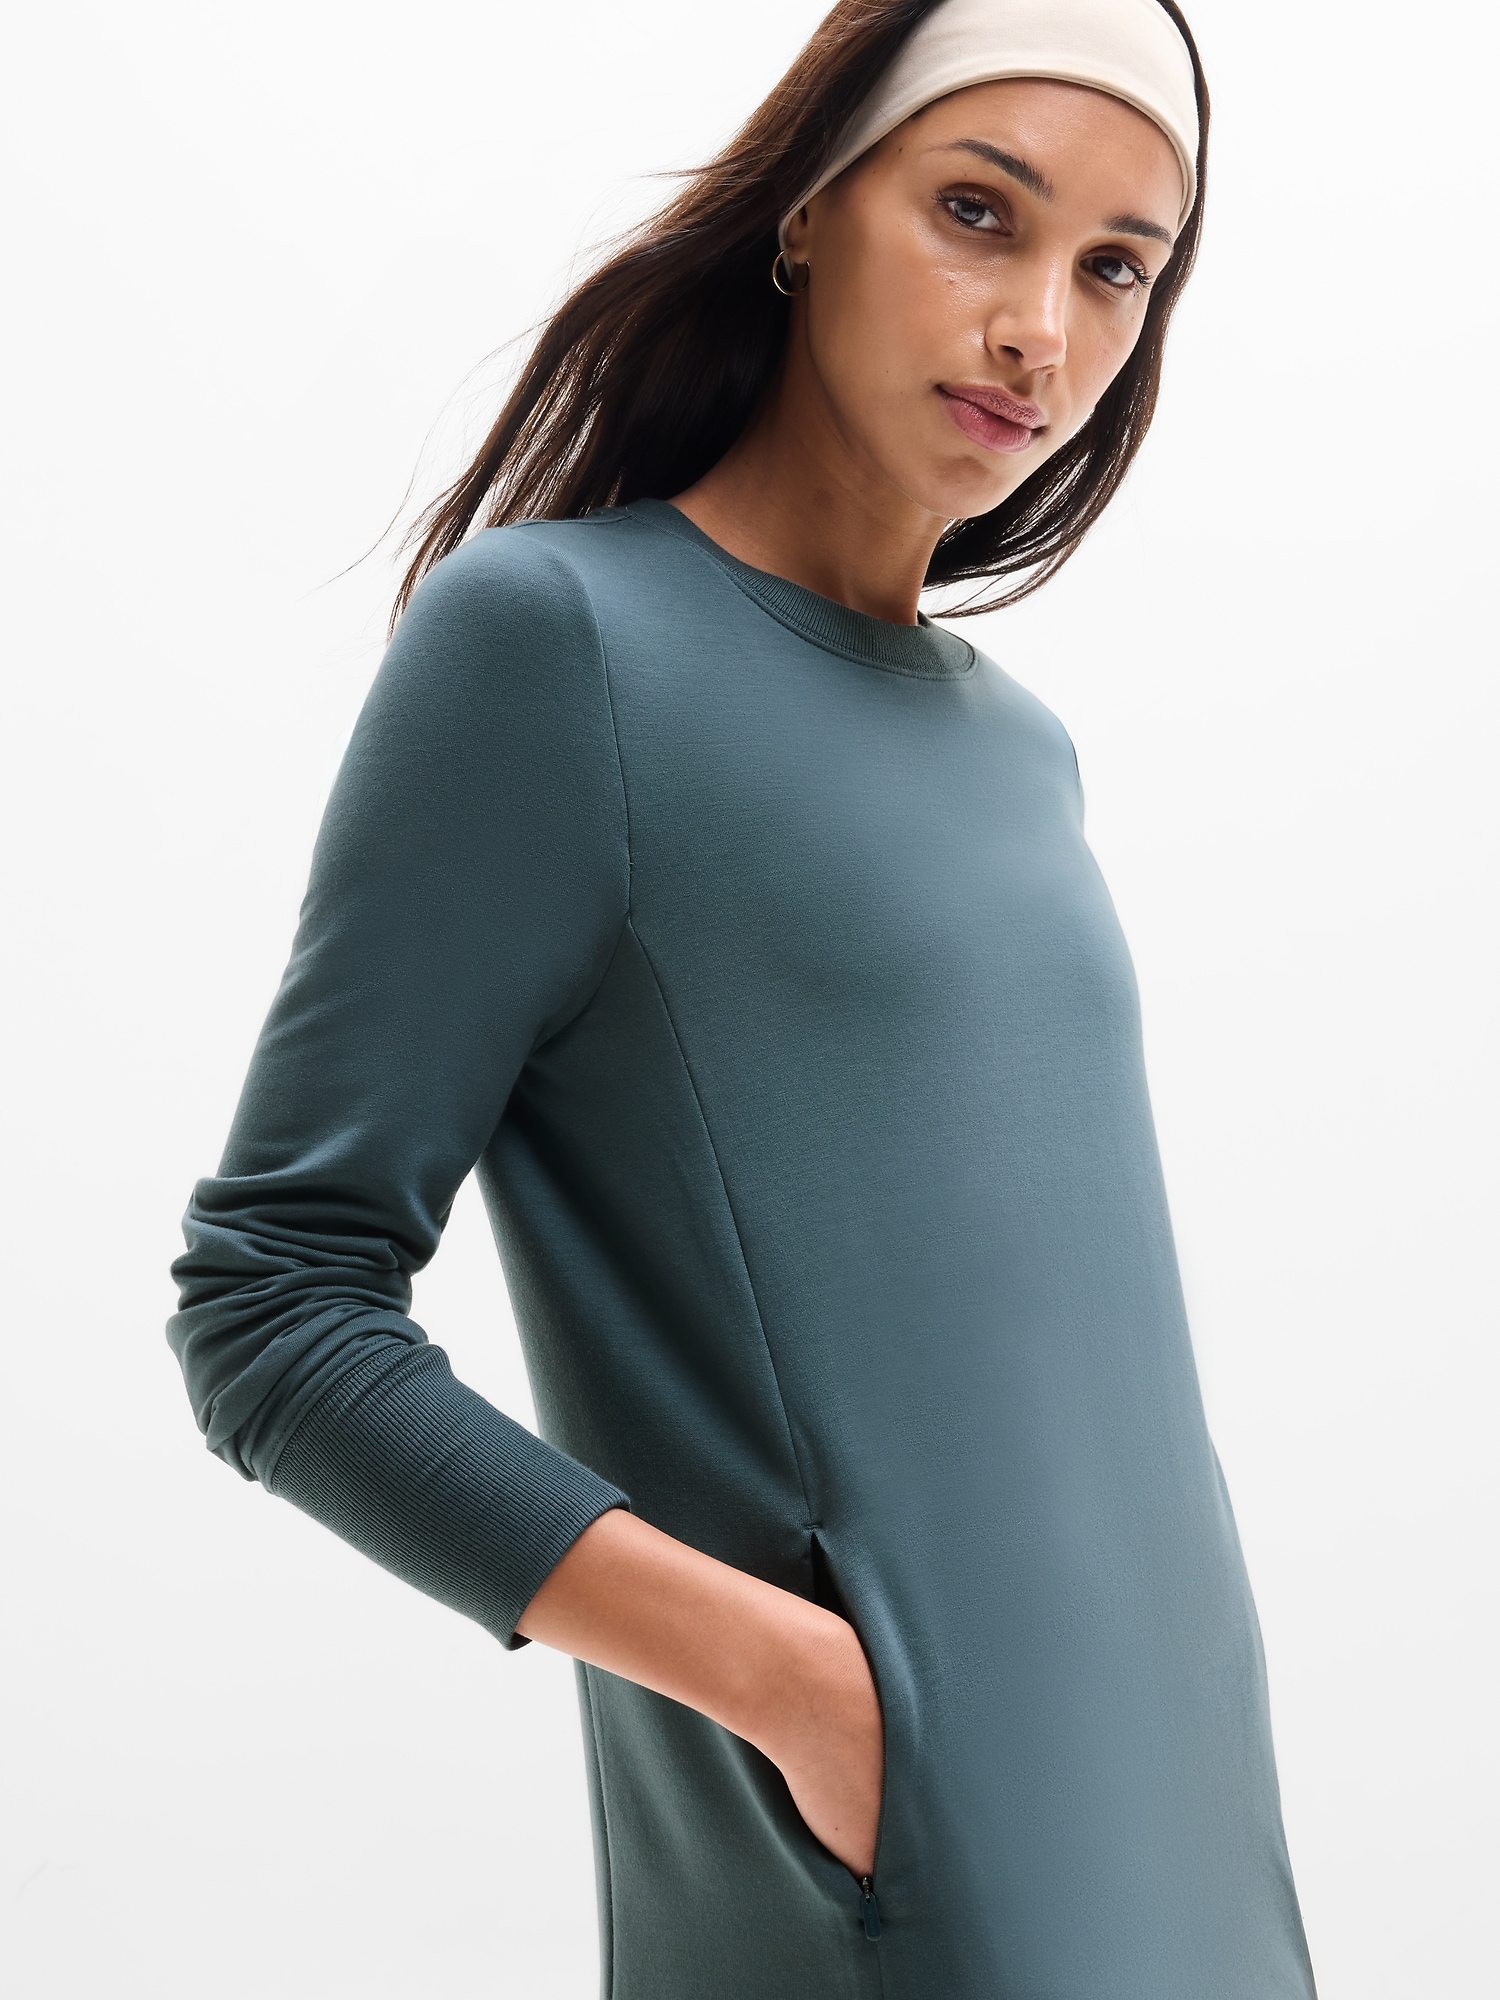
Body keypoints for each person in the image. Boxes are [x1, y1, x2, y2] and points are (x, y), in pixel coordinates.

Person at [169, 0, 1319, 1993]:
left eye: (1117, 269)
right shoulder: (554, 645)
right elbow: (273, 1303)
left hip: (1182, 1832)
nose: (1040, 328)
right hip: (891, 1865)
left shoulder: (1021, 750)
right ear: (809, 210)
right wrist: (796, 1691)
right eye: (980, 212)